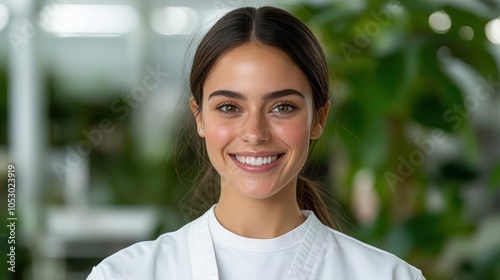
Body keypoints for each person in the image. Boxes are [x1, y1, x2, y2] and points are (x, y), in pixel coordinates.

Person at [86, 6, 425, 280]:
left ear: (319, 119)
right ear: (200, 117)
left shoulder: (388, 275)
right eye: (229, 107)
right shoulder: (124, 274)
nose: (255, 133)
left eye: (282, 107)